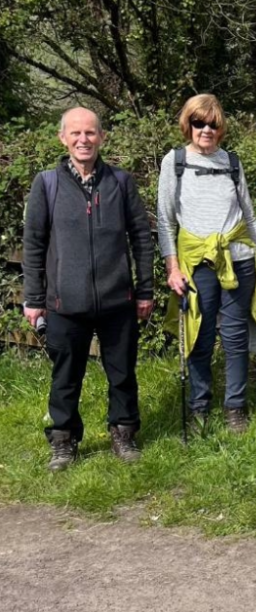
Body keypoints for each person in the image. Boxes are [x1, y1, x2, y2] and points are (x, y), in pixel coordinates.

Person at [22, 107, 155, 470]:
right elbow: (33, 243)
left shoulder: (121, 182)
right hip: (65, 302)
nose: (84, 140)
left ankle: (124, 433)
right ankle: (64, 441)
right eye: (76, 133)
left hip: (118, 300)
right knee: (65, 377)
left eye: (91, 133)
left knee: (123, 373)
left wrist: (145, 290)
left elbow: (141, 238)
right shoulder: (46, 184)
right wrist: (33, 298)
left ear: (102, 138)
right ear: (63, 138)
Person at [157, 94, 256, 435]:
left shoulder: (231, 163)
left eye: (212, 124)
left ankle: (236, 407)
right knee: (200, 337)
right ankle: (199, 406)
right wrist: (172, 269)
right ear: (187, 125)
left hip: (240, 260)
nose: (205, 130)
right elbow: (165, 221)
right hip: (196, 263)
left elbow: (248, 213)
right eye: (198, 123)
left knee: (235, 336)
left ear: (220, 129)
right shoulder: (174, 162)